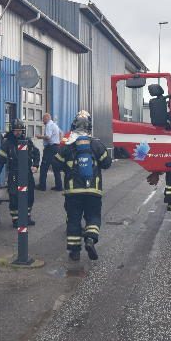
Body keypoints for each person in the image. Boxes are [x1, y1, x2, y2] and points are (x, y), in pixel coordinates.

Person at [53, 111, 111, 261]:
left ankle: (75, 252)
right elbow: (107, 163)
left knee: (73, 219)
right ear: (89, 127)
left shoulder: (67, 145)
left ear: (73, 126)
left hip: (73, 191)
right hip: (93, 190)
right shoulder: (96, 144)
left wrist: (68, 166)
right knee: (93, 216)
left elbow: (56, 165)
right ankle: (90, 239)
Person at [0, 119, 40, 227]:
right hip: (14, 174)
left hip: (27, 173)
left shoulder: (27, 141)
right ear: (12, 131)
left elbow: (36, 153)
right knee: (14, 197)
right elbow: (0, 161)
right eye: (16, 130)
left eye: (20, 130)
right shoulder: (7, 143)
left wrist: (35, 165)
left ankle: (27, 217)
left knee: (29, 195)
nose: (18, 132)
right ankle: (16, 219)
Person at [36, 113, 63, 191]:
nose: (42, 120)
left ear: (46, 118)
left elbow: (48, 137)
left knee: (44, 167)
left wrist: (39, 136)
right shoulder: (54, 125)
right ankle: (59, 186)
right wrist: (59, 142)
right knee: (56, 168)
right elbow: (61, 133)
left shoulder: (48, 125)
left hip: (50, 149)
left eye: (43, 119)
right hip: (56, 147)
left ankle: (42, 186)